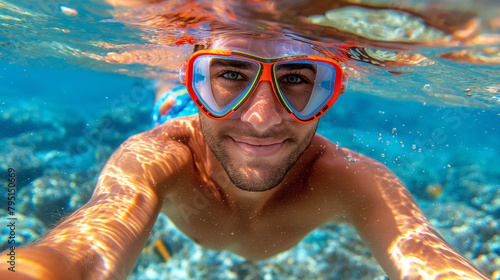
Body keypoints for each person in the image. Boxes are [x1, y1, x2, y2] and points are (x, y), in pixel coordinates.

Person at [2, 35, 489, 280]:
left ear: (329, 91)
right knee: (167, 99)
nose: (261, 120)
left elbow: (431, 262)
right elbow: (80, 254)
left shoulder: (353, 180)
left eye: (297, 79)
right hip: (177, 109)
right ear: (201, 83)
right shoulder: (158, 156)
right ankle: (173, 86)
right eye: (230, 75)